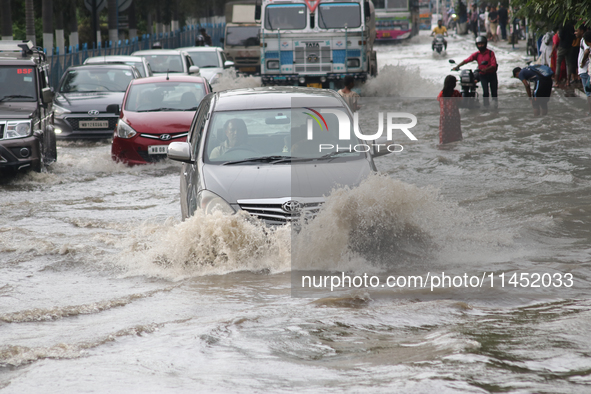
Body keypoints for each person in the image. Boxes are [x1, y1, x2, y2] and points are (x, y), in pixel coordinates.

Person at [452, 36, 498, 109]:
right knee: (485, 92)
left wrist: (486, 69)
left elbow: (494, 65)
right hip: (483, 75)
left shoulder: (490, 53)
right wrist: (457, 66)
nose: (480, 45)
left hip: (492, 75)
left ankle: (495, 107)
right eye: (479, 44)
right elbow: (467, 60)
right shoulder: (476, 54)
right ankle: (486, 107)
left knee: (494, 93)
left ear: (485, 44)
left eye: (482, 44)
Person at [437, 75, 462, 144]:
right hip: (454, 116)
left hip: (444, 116)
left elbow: (439, 102)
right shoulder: (456, 93)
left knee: (445, 132)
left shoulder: (441, 93)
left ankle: (444, 144)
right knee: (455, 132)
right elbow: (460, 101)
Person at [579, 30, 591, 116]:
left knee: (588, 92)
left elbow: (586, 51)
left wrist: (582, 63)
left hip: (587, 72)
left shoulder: (587, 46)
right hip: (588, 71)